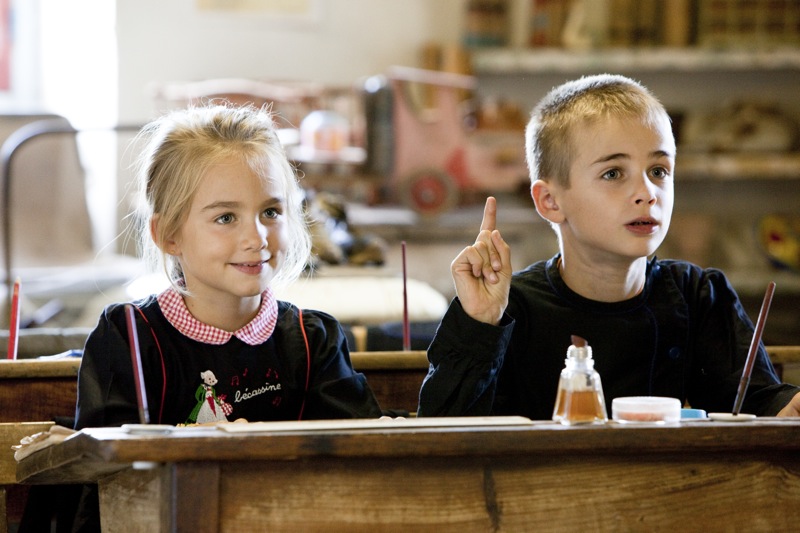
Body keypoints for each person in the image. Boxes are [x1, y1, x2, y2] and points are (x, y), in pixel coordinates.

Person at [21, 104, 382, 532]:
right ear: (168, 234)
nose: (256, 238)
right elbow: (105, 486)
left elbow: (366, 463)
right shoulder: (130, 337)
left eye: (271, 211)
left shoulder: (313, 339)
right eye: (226, 217)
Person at [417, 74, 800, 419]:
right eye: (613, 173)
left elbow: (759, 405)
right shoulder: (510, 310)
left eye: (659, 171)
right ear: (550, 201)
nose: (646, 193)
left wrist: (786, 409)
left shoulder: (698, 297)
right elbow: (440, 429)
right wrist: (480, 322)